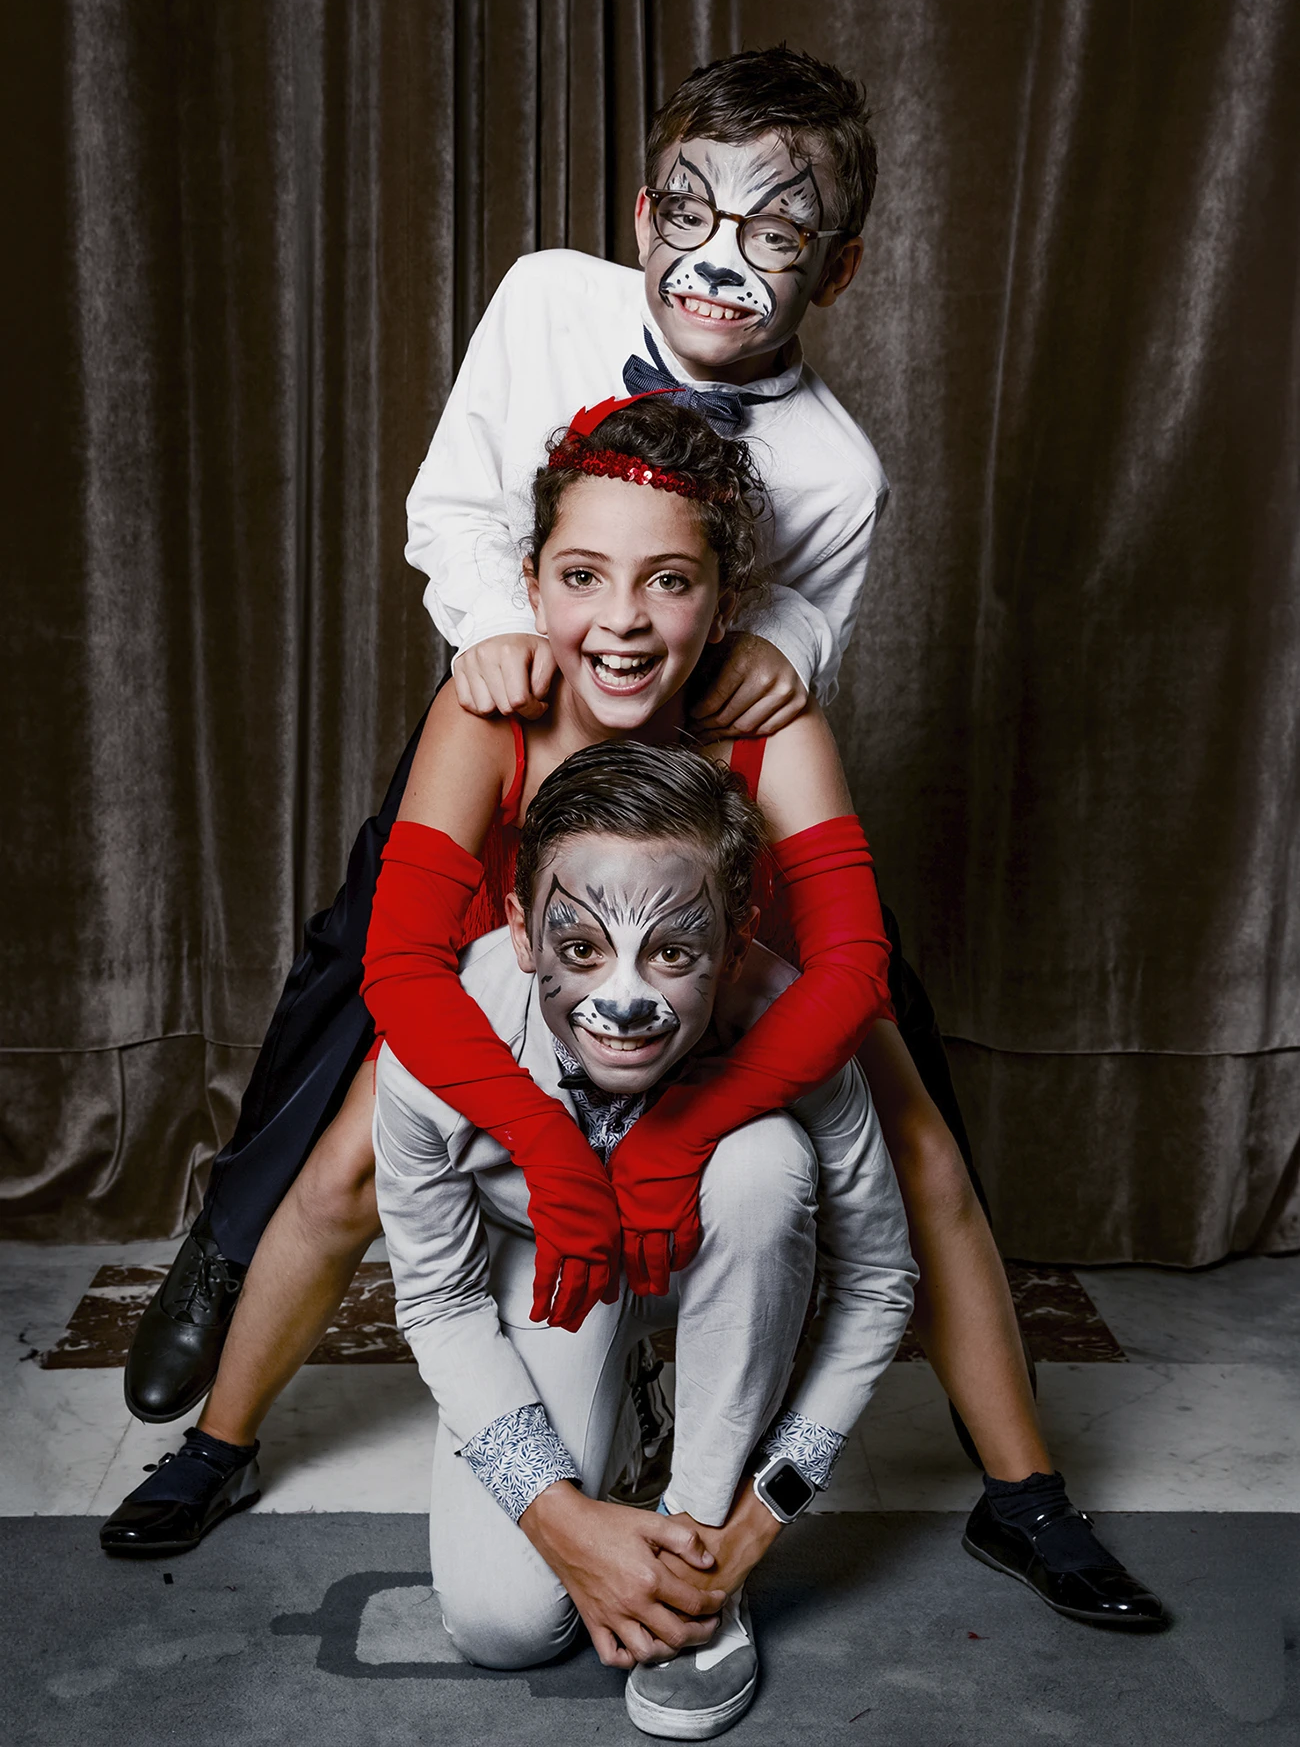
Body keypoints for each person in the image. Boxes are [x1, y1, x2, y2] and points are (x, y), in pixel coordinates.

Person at [104, 391, 1163, 1632]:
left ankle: (1023, 1493)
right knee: (344, 1166)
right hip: (525, 990)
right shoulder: (491, 708)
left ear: (725, 603)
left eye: (667, 583)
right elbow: (397, 964)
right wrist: (550, 1149)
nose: (621, 620)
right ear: (533, 581)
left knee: (920, 1153)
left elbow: (849, 964)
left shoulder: (764, 717)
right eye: (584, 576)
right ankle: (220, 1445)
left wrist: (682, 1130)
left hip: (718, 997)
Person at [375, 740, 918, 1740]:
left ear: (737, 931)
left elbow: (882, 1286)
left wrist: (751, 1522)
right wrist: (560, 1518)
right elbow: (438, 1301)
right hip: (553, 1280)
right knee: (502, 1625)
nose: (624, 1004)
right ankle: (625, 1421)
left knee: (764, 1166)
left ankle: (693, 1513)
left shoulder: (789, 1018)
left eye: (672, 951)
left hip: (721, 1259)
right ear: (521, 931)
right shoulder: (439, 1051)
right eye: (581, 948)